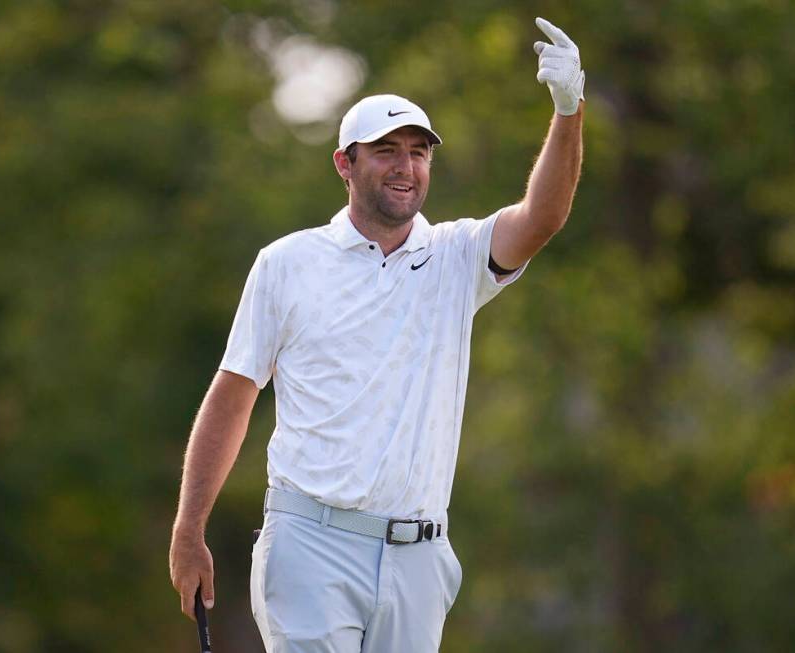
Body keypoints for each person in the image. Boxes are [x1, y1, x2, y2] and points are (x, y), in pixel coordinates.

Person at [170, 16, 586, 653]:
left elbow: (544, 217)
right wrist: (189, 527)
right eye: (388, 150)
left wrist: (567, 113)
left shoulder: (457, 256)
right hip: (310, 542)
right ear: (345, 163)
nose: (406, 167)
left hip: (419, 556)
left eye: (419, 152)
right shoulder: (287, 263)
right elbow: (233, 396)